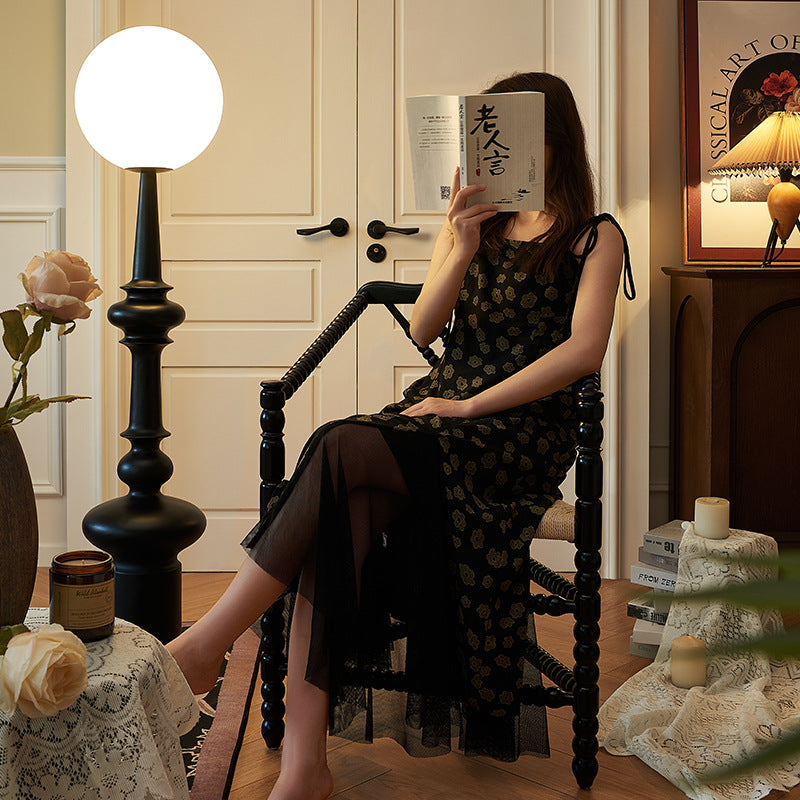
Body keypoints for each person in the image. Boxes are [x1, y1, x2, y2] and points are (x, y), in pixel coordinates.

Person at [167, 71, 635, 800]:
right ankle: (303, 764)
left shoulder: (594, 236)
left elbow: (582, 352)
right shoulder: (479, 223)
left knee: (337, 444)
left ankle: (211, 644)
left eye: (518, 134)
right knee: (339, 506)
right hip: (439, 412)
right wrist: (459, 240)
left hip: (512, 434)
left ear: (554, 143)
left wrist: (469, 409)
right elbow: (424, 327)